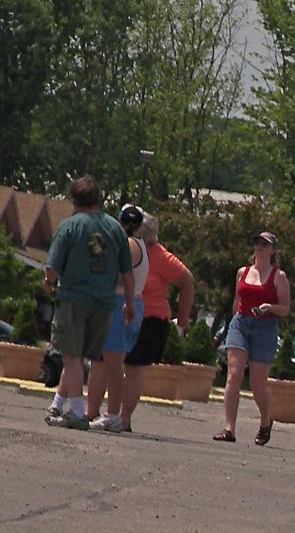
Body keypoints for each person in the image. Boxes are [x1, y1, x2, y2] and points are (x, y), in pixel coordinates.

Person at [43, 176, 135, 430]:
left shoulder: (70, 226)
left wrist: (49, 283)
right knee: (84, 357)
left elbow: (52, 267)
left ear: (74, 200)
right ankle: (63, 405)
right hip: (105, 303)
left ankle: (76, 411)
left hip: (73, 298)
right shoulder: (116, 229)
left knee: (71, 356)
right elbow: (127, 272)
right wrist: (129, 303)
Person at [111, 209, 195, 433]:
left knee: (134, 367)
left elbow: (187, 281)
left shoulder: (160, 256)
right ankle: (107, 413)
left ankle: (124, 418)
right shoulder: (125, 249)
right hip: (122, 313)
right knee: (110, 363)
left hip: (151, 318)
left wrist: (183, 318)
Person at [216, 231, 290, 444]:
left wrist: (270, 307)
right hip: (240, 323)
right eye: (257, 242)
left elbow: (285, 308)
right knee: (234, 375)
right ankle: (229, 429)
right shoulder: (243, 272)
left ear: (273, 250)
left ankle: (266, 420)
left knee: (257, 383)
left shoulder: (279, 276)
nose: (260, 246)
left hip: (265, 328)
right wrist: (233, 323)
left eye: (265, 244)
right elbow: (237, 301)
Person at [89, 205, 149, 433]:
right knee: (105, 362)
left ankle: (113, 415)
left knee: (114, 364)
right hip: (126, 303)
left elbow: (115, 275)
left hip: (121, 304)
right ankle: (97, 413)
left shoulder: (129, 245)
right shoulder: (137, 244)